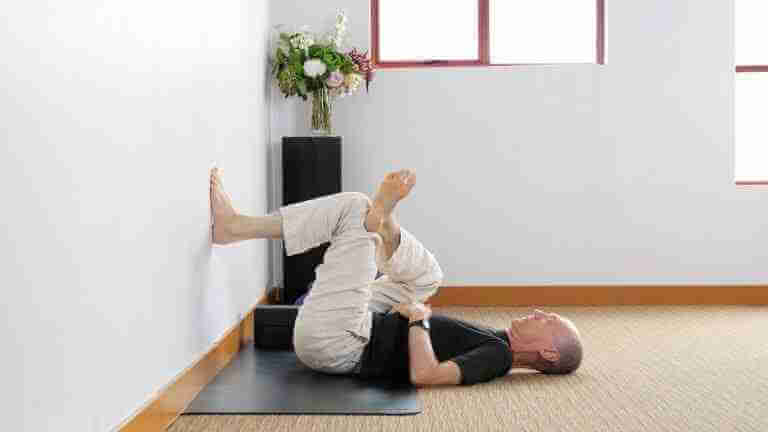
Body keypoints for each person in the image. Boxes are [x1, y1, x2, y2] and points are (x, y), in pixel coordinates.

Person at [210, 167, 583, 386]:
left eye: (547, 320)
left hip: (340, 344)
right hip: (360, 325)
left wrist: (419, 321)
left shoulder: (499, 358)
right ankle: (385, 227)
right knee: (428, 277)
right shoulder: (497, 340)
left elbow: (426, 374)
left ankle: (236, 227)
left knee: (356, 208)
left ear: (547, 352)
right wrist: (414, 310)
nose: (538, 311)